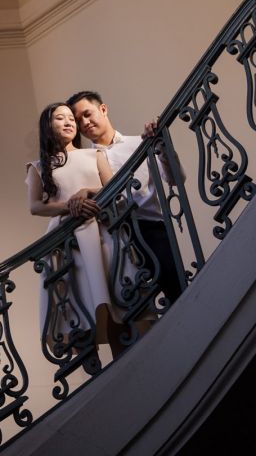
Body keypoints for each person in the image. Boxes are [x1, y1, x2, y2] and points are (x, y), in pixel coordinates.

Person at [66, 91, 183, 306]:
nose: (84, 122)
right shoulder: (83, 162)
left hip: (152, 230)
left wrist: (162, 145)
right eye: (78, 119)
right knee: (131, 308)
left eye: (87, 114)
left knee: (178, 295)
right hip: (112, 239)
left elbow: (176, 179)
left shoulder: (139, 143)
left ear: (103, 109)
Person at [26, 102, 123, 358]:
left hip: (100, 231)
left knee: (110, 295)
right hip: (65, 241)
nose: (69, 122)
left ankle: (122, 356)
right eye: (60, 118)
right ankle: (92, 370)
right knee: (76, 301)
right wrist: (69, 206)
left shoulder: (94, 155)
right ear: (48, 126)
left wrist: (87, 192)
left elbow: (113, 188)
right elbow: (35, 206)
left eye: (71, 118)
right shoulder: (38, 166)